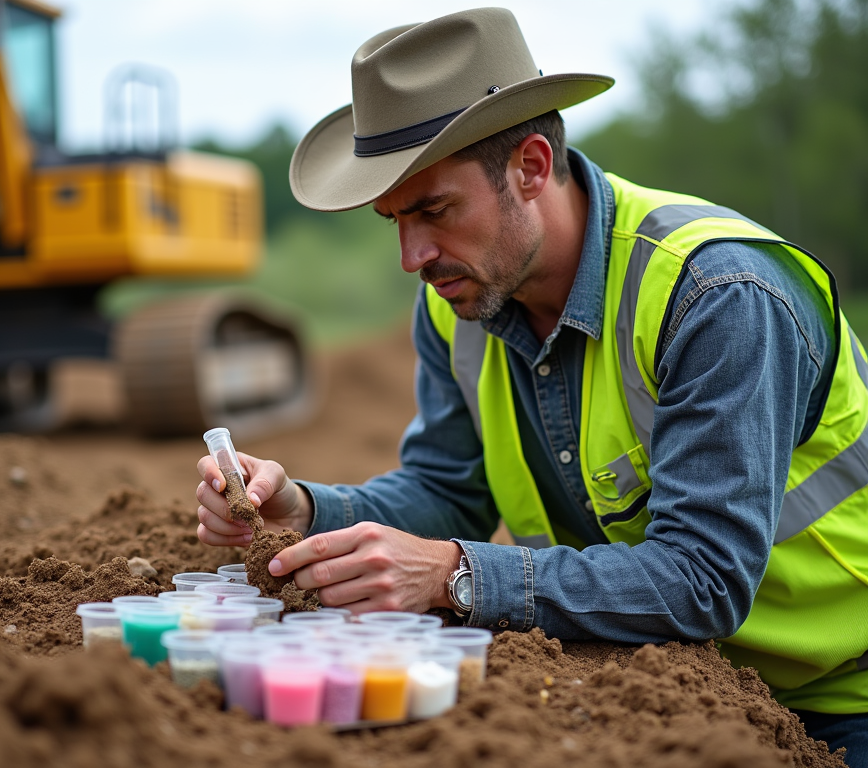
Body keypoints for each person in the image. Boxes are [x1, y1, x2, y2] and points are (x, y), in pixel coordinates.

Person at [194, 8, 868, 761]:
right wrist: (305, 506)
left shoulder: (717, 297)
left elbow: (703, 578)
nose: (413, 256)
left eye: (434, 210)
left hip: (843, 696)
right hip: (667, 682)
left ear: (532, 166)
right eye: (393, 221)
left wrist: (453, 575)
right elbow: (452, 492)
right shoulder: (460, 299)